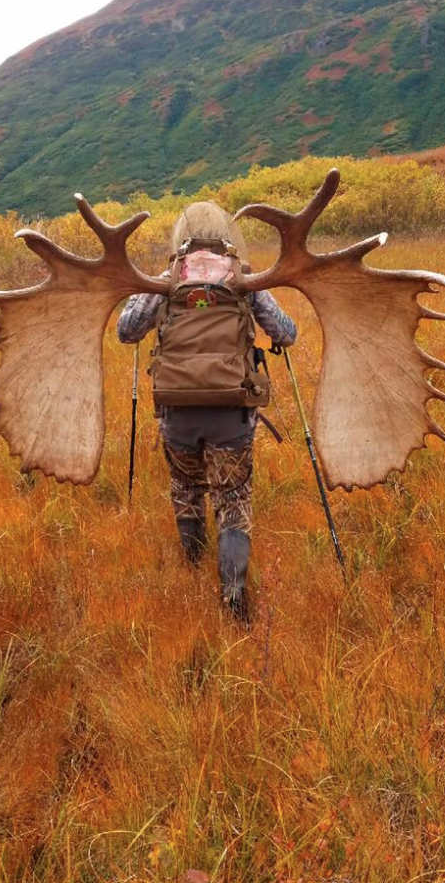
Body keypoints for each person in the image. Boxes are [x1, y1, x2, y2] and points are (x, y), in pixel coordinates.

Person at [117, 203, 296, 622]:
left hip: (176, 412)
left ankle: (193, 565)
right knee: (233, 499)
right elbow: (286, 333)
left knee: (185, 486)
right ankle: (233, 595)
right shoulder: (243, 278)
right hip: (231, 413)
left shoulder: (165, 280)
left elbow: (127, 332)